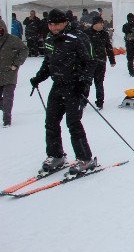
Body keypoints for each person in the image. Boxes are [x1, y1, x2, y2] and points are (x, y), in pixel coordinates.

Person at [29, 9, 97, 175]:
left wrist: (84, 83)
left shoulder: (77, 37)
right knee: (51, 122)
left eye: (57, 24)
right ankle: (56, 155)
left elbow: (90, 63)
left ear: (65, 22)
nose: (53, 27)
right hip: (58, 86)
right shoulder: (50, 38)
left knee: (73, 123)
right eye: (50, 24)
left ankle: (85, 159)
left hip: (74, 87)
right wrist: (38, 77)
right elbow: (48, 62)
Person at [0, 18, 28, 127]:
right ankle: (6, 109)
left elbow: (24, 50)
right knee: (4, 102)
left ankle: (7, 120)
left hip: (9, 74)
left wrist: (16, 63)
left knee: (8, 99)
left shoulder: (12, 40)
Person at [84, 16, 116, 109]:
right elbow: (81, 48)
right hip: (89, 62)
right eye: (101, 23)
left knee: (99, 83)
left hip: (101, 61)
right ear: (95, 24)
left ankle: (100, 102)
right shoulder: (86, 33)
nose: (102, 25)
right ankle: (83, 101)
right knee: (87, 83)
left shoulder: (104, 34)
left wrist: (112, 60)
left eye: (103, 23)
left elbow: (108, 47)